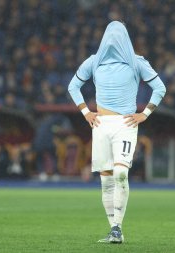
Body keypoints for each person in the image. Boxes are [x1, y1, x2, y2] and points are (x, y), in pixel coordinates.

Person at [68, 21, 166, 243]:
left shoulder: (137, 63)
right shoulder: (94, 62)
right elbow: (73, 86)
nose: (113, 38)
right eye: (110, 33)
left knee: (120, 174)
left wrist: (145, 114)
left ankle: (118, 227)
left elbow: (160, 87)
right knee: (106, 180)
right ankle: (114, 229)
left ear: (125, 37)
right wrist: (86, 112)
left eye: (118, 33)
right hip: (101, 125)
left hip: (125, 124)